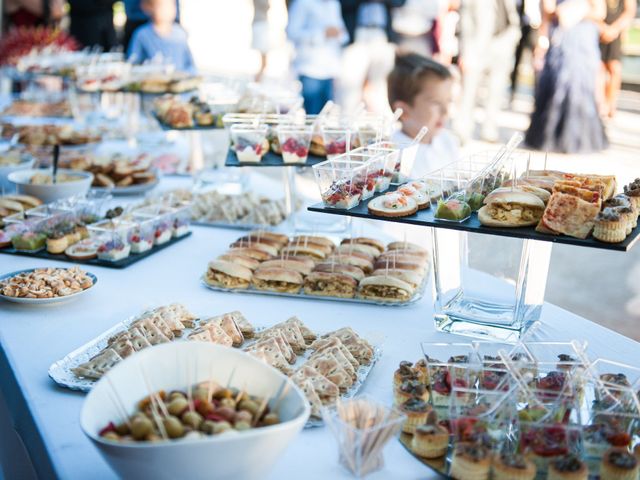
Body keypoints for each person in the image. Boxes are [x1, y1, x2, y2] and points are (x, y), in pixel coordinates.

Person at [525, 0, 608, 153]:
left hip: (584, 39)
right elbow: (547, 10)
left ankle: (578, 139)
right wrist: (543, 39)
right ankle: (550, 136)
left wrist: (580, 11)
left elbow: (601, 12)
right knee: (557, 81)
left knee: (581, 85)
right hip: (561, 37)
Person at [454, 0, 521, 143]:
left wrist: (513, 36)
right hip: (477, 47)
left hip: (502, 44)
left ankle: (489, 129)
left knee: (496, 90)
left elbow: (512, 15)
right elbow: (465, 21)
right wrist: (466, 52)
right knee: (469, 89)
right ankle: (462, 129)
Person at [388, 53, 458, 178]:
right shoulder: (392, 156)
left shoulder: (448, 141)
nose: (445, 111)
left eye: (449, 100)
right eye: (436, 102)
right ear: (403, 111)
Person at [338, 0, 407, 115]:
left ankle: (381, 125)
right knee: (350, 88)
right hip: (357, 35)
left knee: (380, 89)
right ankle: (347, 124)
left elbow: (400, 2)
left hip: (382, 35)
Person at [286, 0, 348, 114]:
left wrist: (338, 33)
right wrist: (321, 34)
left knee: (327, 117)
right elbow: (291, 32)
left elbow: (343, 34)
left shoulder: (334, 4)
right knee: (312, 116)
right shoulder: (302, 3)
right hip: (310, 68)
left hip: (330, 69)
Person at [127, 0, 195, 73]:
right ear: (150, 7)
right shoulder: (141, 34)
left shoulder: (180, 34)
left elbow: (190, 65)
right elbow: (132, 63)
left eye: (171, 5)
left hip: (179, 82)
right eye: (162, 6)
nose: (167, 10)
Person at [599, 0, 636, 118]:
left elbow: (629, 11)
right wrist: (601, 27)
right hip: (600, 30)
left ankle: (611, 103)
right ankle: (601, 103)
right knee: (599, 69)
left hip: (617, 32)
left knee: (614, 68)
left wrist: (615, 29)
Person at [510, 0, 542, 101]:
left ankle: (538, 94)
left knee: (537, 60)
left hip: (537, 27)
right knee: (517, 58)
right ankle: (512, 90)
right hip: (523, 24)